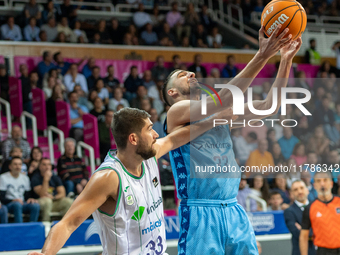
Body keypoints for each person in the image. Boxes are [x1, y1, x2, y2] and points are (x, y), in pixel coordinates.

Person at [162, 24, 301, 254]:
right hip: (200, 211)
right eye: (182, 75)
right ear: (172, 92)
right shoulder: (176, 112)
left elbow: (270, 106)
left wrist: (285, 59)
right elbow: (224, 99)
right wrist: (262, 54)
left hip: (233, 208)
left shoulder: (219, 113)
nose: (191, 74)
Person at [27, 106, 235, 255]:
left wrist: (215, 120)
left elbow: (175, 137)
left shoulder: (150, 156)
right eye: (149, 129)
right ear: (133, 139)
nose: (156, 134)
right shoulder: (108, 177)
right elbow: (68, 223)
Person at [300, 171, 340, 255]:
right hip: (323, 251)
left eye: (325, 180)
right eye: (318, 181)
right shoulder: (310, 208)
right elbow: (303, 236)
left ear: (331, 184)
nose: (322, 184)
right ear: (314, 186)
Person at [31, 157, 73, 222]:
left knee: (68, 201)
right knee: (47, 201)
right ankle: (46, 224)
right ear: (40, 167)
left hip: (53, 201)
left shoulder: (55, 177)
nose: (47, 167)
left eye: (49, 165)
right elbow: (42, 194)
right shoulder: (35, 177)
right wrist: (46, 179)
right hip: (39, 202)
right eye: (44, 164)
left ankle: (66, 225)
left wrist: (53, 197)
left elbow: (62, 193)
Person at [0, 157, 40, 223]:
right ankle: (20, 228)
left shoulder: (25, 178)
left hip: (22, 203)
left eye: (19, 164)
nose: (18, 166)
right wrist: (13, 200)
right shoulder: (3, 178)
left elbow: (27, 195)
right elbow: (2, 198)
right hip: (9, 204)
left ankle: (32, 228)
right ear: (10, 166)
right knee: (17, 204)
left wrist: (30, 199)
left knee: (35, 205)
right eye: (15, 164)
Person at [284, 180, 315, 255]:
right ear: (291, 193)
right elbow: (297, 234)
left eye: (302, 188)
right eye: (295, 189)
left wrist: (303, 230)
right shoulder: (289, 211)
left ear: (307, 190)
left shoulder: (316, 207)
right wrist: (315, 233)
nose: (300, 191)